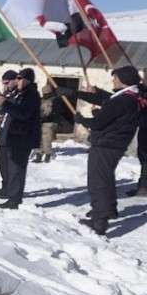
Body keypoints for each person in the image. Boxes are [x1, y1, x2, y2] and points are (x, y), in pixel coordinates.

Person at [68, 66, 143, 234]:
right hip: (114, 143)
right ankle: (108, 209)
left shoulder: (123, 100)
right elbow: (105, 99)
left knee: (98, 182)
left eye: (115, 78)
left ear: (123, 81)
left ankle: (99, 220)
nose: (113, 81)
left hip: (106, 144)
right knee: (106, 178)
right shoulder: (130, 96)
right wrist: (77, 94)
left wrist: (81, 119)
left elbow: (99, 122)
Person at [0, 68, 40, 209]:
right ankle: (12, 194)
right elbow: (14, 112)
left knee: (17, 170)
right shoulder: (20, 94)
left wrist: (5, 103)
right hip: (14, 136)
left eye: (20, 78)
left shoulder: (31, 95)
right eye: (18, 78)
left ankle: (14, 199)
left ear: (27, 80)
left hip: (23, 138)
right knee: (12, 168)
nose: (18, 80)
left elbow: (24, 114)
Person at [0, 71, 18, 196]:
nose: (5, 86)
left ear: (15, 80)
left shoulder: (20, 94)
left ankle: (12, 190)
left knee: (11, 166)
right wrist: (0, 117)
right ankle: (5, 186)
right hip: (4, 134)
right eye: (4, 83)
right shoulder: (7, 94)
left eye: (7, 83)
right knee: (3, 164)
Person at [35, 84, 58, 163]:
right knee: (39, 139)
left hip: (48, 122)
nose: (45, 94)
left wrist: (40, 117)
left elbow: (47, 113)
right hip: (41, 122)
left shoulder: (52, 100)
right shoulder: (43, 100)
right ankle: (39, 155)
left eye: (46, 93)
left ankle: (47, 156)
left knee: (46, 140)